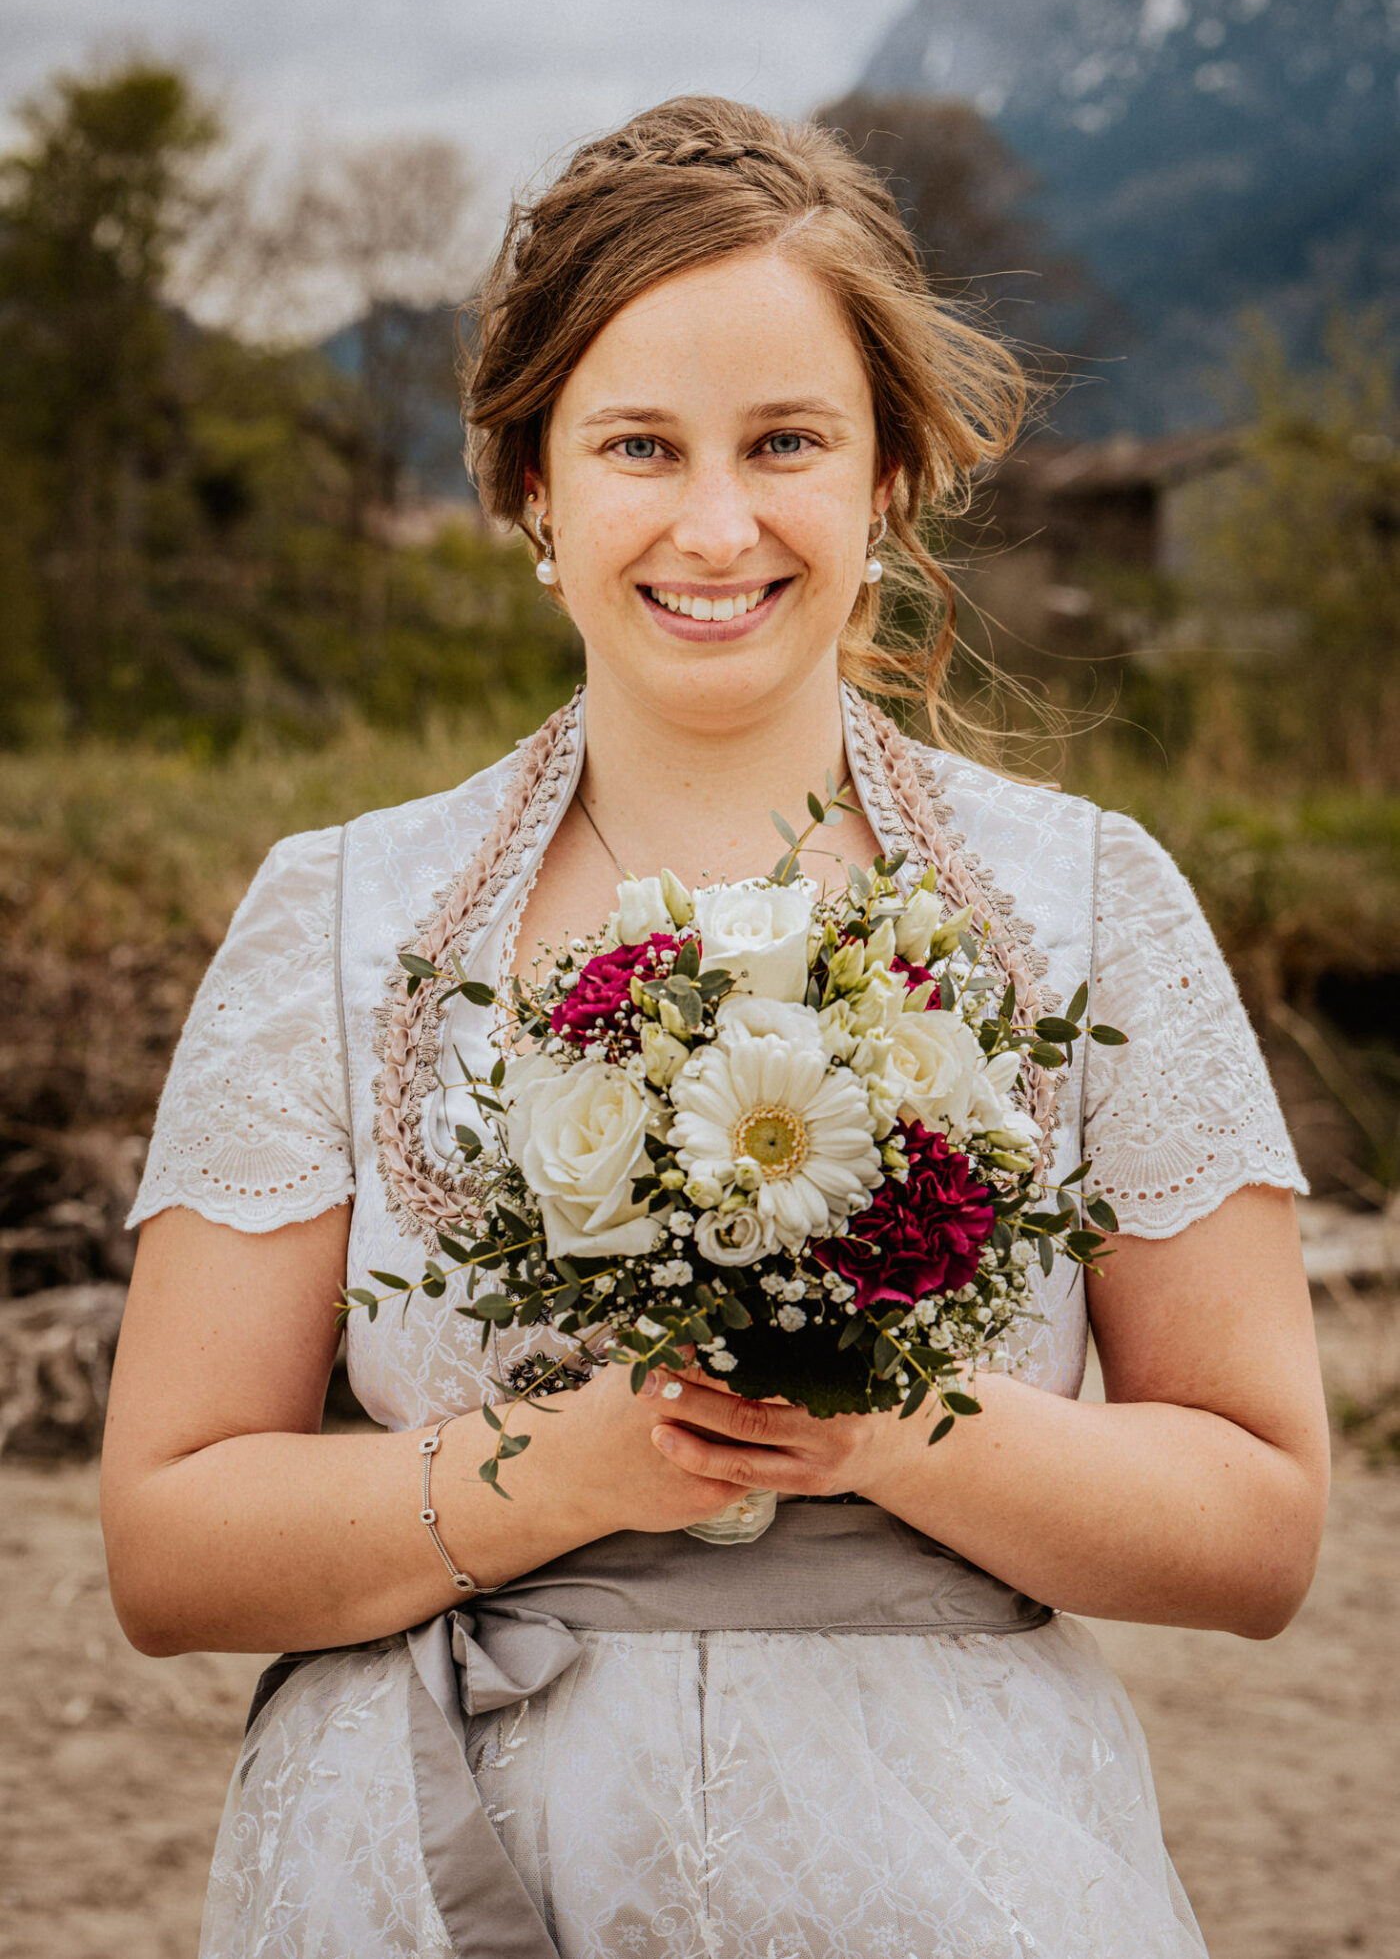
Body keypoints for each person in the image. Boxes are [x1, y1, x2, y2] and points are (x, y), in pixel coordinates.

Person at [101, 96, 1328, 1959]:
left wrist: (871, 1422)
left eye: (787, 441)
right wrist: (574, 1467)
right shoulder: (336, 918)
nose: (718, 521)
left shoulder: (1089, 906)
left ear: (887, 478)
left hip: (950, 1873)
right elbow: (169, 1544)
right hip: (421, 1871)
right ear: (529, 486)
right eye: (639, 445)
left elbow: (1259, 1527)